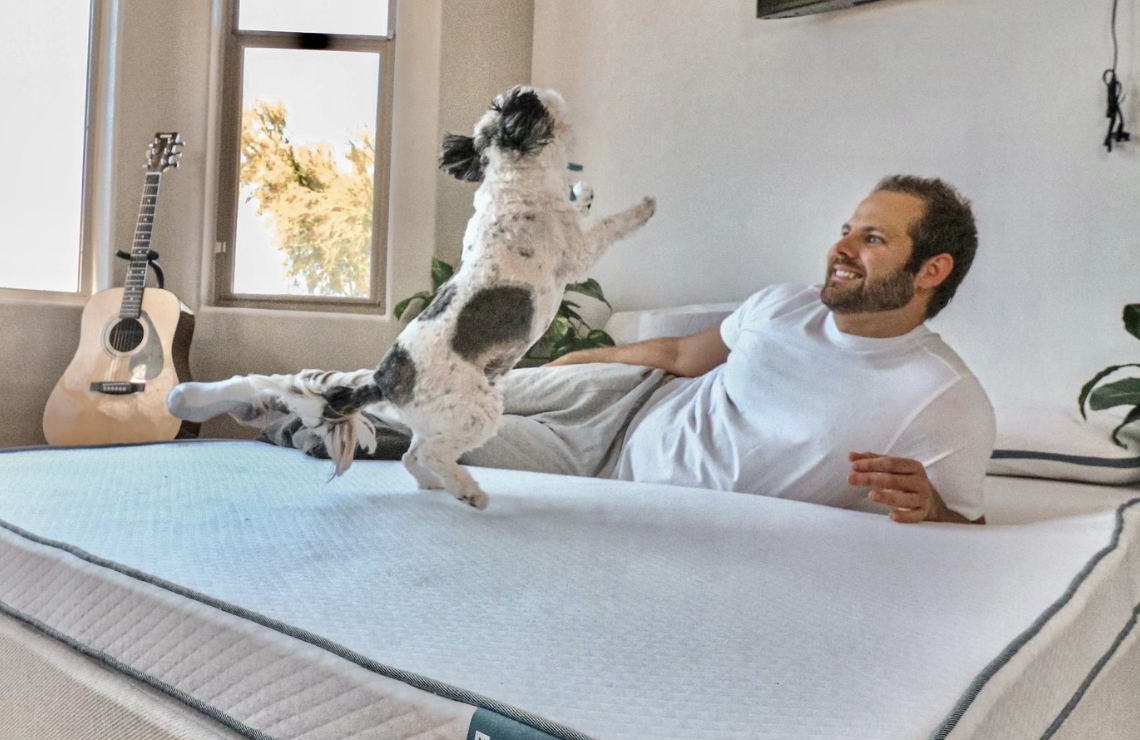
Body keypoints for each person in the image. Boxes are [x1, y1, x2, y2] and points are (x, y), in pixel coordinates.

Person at [269, 175, 995, 524]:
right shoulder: (781, 305)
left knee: (443, 437)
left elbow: (966, 522)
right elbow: (681, 356)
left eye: (872, 239)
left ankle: (304, 419)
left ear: (931, 271)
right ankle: (285, 392)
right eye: (847, 228)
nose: (840, 247)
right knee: (432, 385)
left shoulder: (944, 398)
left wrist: (931, 506)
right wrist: (577, 364)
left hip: (614, 478)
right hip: (622, 401)